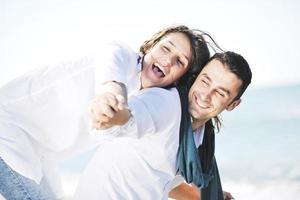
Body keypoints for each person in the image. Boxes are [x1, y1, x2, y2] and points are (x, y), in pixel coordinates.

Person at [0, 25, 211, 199]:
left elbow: (158, 176)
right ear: (151, 46)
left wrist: (208, 196)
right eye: (166, 48)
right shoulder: (121, 57)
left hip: (40, 156)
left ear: (181, 79)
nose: (168, 60)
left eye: (180, 61)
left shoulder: (148, 108)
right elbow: (111, 71)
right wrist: (110, 91)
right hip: (7, 131)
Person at [74, 51, 252, 200]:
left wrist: (208, 196)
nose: (205, 95)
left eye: (220, 93)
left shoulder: (198, 136)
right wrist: (112, 113)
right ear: (197, 77)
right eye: (205, 81)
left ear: (232, 105)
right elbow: (131, 117)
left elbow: (163, 179)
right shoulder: (165, 103)